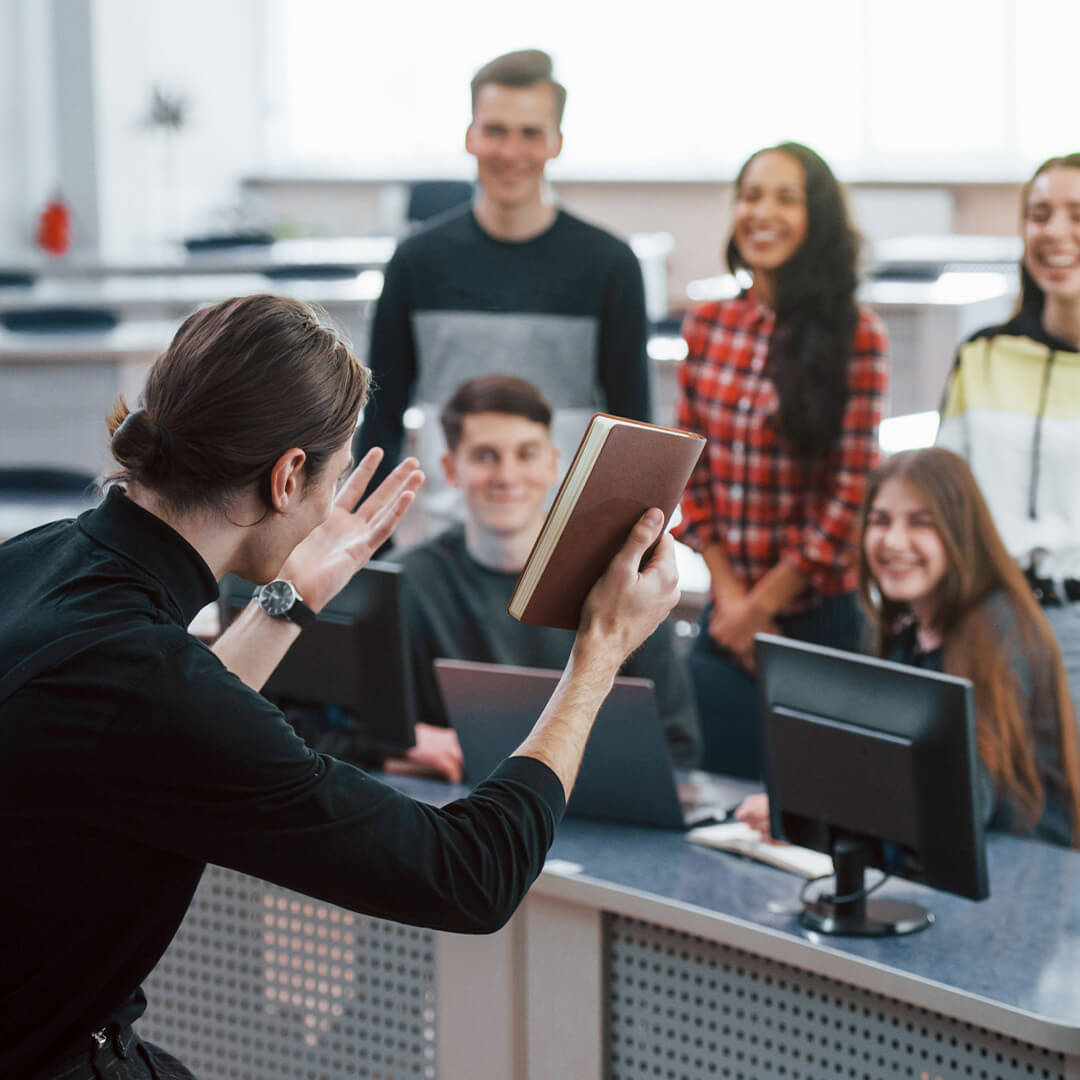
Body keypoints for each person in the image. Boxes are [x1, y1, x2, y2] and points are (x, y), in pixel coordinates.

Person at [0, 295, 680, 1079]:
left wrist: (290, 598)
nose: (329, 507)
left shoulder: (44, 558)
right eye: (331, 474)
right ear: (288, 477)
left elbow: (157, 727)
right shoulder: (143, 681)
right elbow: (471, 875)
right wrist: (600, 651)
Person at [356, 49, 651, 523]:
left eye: (530, 133)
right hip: (446, 541)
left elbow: (635, 432)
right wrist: (372, 544)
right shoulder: (416, 260)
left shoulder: (610, 264)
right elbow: (382, 417)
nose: (511, 151)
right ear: (470, 136)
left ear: (556, 142)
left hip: (561, 543)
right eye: (495, 130)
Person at [737, 447, 1080, 848]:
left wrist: (823, 816)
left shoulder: (1001, 628)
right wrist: (804, 814)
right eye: (880, 521)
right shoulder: (908, 631)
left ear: (960, 532)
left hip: (1024, 873)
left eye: (922, 523)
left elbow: (965, 797)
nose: (894, 541)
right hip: (951, 862)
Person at [673, 142, 889, 778]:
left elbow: (852, 493)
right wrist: (734, 603)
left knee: (819, 811)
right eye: (752, 195)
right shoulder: (709, 324)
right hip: (727, 608)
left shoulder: (857, 333)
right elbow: (691, 473)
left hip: (817, 616)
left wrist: (761, 608)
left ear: (817, 217)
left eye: (785, 198)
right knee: (717, 802)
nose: (762, 212)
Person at [394, 374, 701, 780]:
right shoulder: (408, 581)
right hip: (454, 809)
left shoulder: (622, 581)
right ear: (451, 469)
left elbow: (679, 747)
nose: (506, 476)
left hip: (602, 818)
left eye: (526, 454)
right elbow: (350, 729)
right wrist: (398, 744)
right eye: (485, 456)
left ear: (554, 464)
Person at [937, 152, 1080, 702]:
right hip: (987, 618)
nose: (1056, 232)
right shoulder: (984, 356)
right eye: (1041, 215)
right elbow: (944, 498)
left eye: (1077, 214)